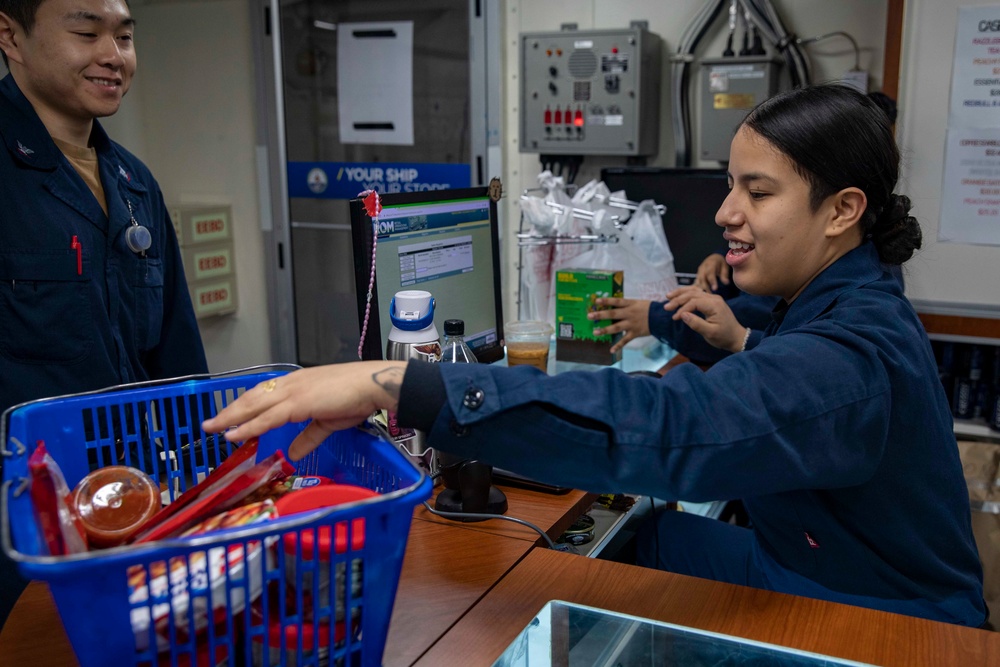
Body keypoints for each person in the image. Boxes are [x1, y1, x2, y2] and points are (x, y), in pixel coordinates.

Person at [203, 84, 987, 627]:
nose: (725, 212)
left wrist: (403, 382)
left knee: (576, 575)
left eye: (758, 191)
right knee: (642, 542)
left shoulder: (854, 353)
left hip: (883, 618)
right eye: (730, 186)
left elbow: (670, 426)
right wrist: (666, 319)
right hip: (819, 561)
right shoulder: (841, 298)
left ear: (843, 210)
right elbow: (749, 333)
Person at [0, 0, 208, 627]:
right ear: (10, 35)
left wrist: (205, 491)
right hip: (22, 524)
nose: (113, 57)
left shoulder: (133, 181)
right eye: (87, 32)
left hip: (129, 505)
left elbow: (177, 356)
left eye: (123, 36)